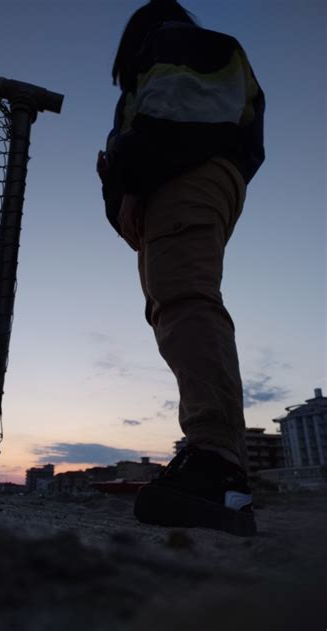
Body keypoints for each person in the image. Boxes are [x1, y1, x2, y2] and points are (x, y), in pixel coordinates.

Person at [97, 0, 265, 536]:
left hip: (184, 178)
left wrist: (131, 175)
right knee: (176, 304)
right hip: (184, 181)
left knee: (186, 301)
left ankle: (218, 466)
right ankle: (219, 466)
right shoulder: (180, 50)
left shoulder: (175, 43)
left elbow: (173, 118)